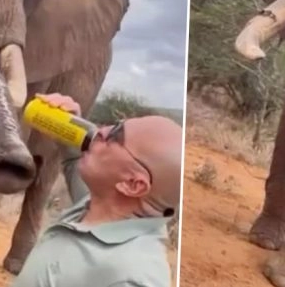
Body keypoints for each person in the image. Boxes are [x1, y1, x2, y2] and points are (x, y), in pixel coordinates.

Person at [10, 93, 184, 287]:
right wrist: (70, 124)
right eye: (115, 123)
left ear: (132, 184)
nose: (101, 130)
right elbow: (74, 160)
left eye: (116, 135)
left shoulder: (133, 276)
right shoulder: (100, 208)